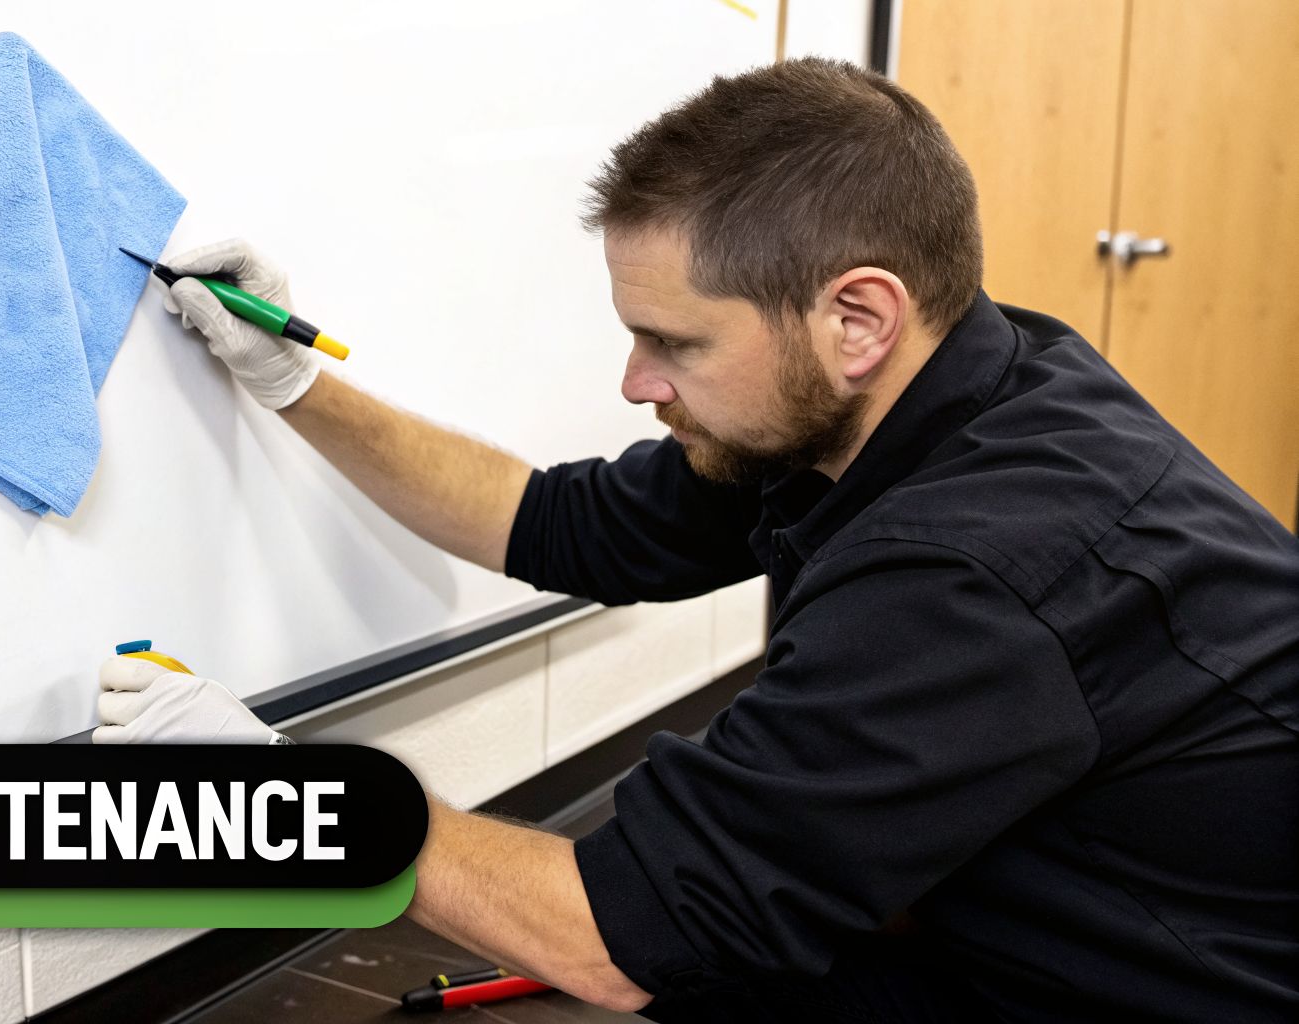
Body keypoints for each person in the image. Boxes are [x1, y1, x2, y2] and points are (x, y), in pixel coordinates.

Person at [91, 58, 1299, 1022]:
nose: (634, 381)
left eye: (673, 342)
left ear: (857, 317)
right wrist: (293, 380)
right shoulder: (921, 391)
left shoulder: (976, 565)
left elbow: (613, 935)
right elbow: (555, 522)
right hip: (1037, 918)